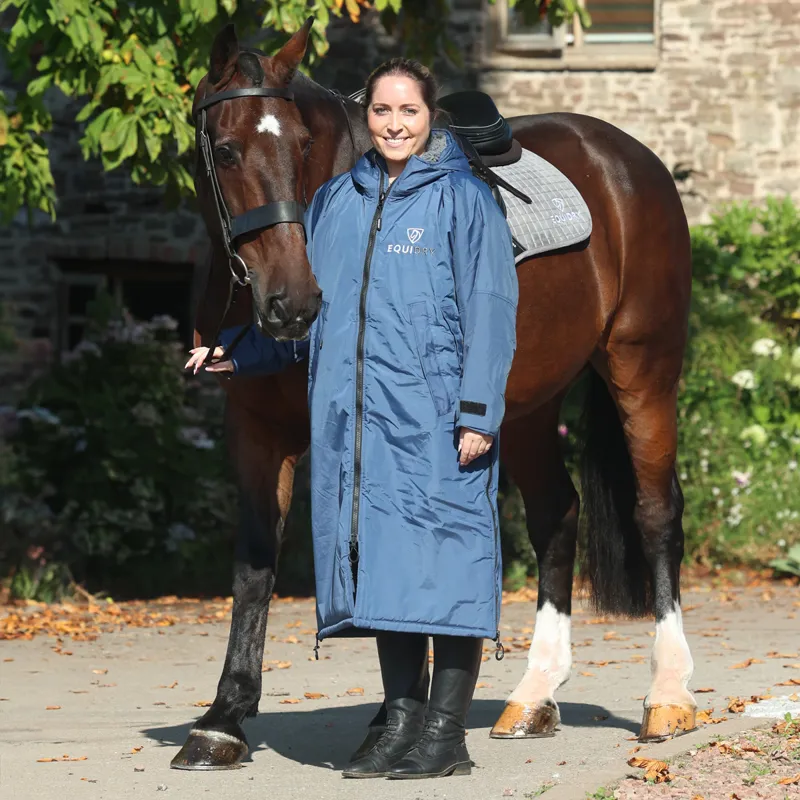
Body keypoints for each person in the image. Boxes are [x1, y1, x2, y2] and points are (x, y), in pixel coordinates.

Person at [186, 58, 518, 780]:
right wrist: (236, 352)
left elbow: (492, 310)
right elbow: (316, 316)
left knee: (448, 567)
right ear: (366, 117)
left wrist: (478, 413)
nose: (394, 125)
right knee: (385, 572)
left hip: (437, 415)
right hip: (362, 425)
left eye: (409, 111)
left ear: (430, 117)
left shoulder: (464, 199)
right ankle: (399, 722)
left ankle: (446, 734)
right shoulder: (338, 201)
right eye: (382, 112)